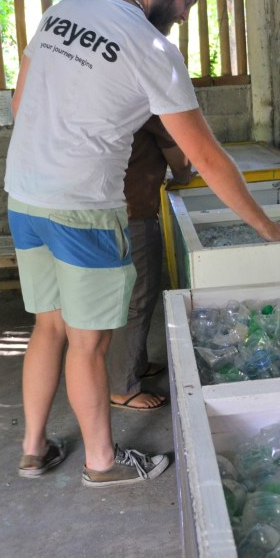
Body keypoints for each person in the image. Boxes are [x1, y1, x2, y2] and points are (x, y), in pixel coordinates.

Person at [4, 0, 280, 488]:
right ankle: (102, 462)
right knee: (89, 343)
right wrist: (264, 227)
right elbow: (204, 156)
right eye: (187, 3)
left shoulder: (65, 10)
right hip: (83, 208)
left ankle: (32, 448)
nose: (184, 18)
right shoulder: (151, 47)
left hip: (24, 195)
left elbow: (21, 104)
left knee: (48, 327)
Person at [107, 116, 191, 411]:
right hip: (132, 213)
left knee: (136, 295)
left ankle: (137, 364)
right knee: (137, 299)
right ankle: (122, 386)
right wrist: (183, 176)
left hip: (113, 209)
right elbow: (178, 154)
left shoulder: (117, 96)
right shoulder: (150, 103)